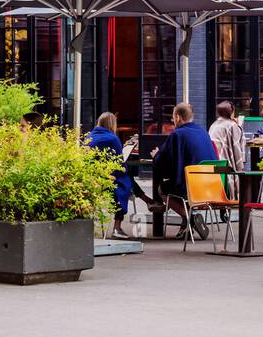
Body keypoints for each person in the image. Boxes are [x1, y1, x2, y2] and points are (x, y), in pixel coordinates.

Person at [150, 103, 218, 239]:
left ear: (177, 117)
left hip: (191, 187)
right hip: (212, 186)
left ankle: (190, 217)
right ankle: (186, 226)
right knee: (179, 182)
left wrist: (156, 156)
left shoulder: (177, 135)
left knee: (163, 190)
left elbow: (164, 160)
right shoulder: (203, 132)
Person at [88, 112, 147, 239]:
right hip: (107, 180)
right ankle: (117, 227)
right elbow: (118, 164)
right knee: (125, 178)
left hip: (92, 178)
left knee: (126, 177)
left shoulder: (90, 136)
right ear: (112, 124)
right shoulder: (112, 138)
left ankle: (147, 200)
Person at [208, 101, 247, 197]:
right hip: (226, 165)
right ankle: (241, 198)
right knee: (243, 172)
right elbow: (237, 148)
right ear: (231, 112)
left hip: (213, 164)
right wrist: (239, 126)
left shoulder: (213, 125)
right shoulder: (232, 125)